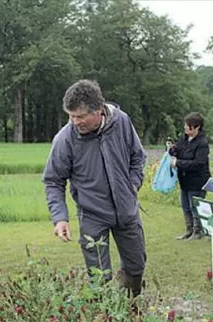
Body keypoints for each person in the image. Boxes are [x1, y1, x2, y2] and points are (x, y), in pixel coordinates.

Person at [43, 79, 147, 297]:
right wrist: (60, 217)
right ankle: (103, 319)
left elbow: (137, 157)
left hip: (127, 211)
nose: (75, 122)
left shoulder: (122, 122)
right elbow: (53, 180)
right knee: (99, 275)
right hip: (92, 214)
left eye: (80, 116)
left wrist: (133, 185)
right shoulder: (65, 139)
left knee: (136, 267)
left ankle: (131, 311)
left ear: (99, 110)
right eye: (70, 116)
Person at [168, 112, 211, 240]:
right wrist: (172, 149)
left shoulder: (202, 143)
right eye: (185, 125)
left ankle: (198, 231)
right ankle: (189, 230)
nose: (186, 128)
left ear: (197, 127)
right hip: (185, 179)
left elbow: (198, 163)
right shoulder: (184, 139)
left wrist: (178, 163)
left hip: (198, 180)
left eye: (189, 126)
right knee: (185, 206)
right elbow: (178, 150)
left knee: (195, 207)